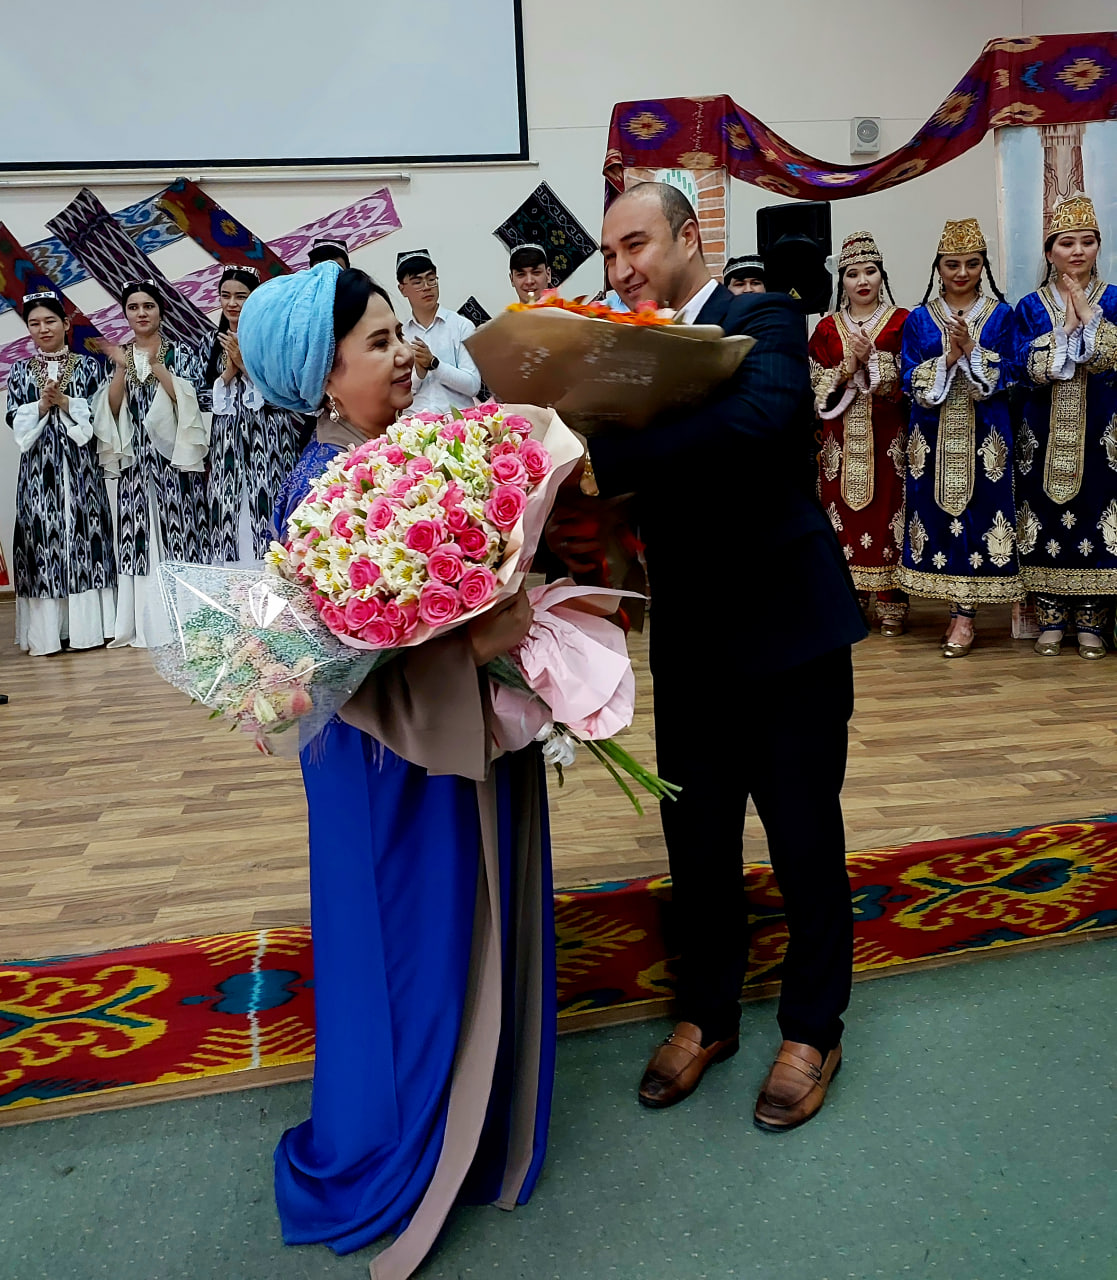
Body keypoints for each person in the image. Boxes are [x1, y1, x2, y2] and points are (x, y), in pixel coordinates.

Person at [237, 263, 555, 1279]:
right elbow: (350, 667)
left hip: (430, 740)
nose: (405, 354)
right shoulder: (321, 489)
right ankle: (397, 1141)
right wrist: (481, 638)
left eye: (396, 335)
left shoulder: (396, 460)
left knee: (444, 928)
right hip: (386, 761)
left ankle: (461, 1116)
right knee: (402, 943)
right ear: (322, 376)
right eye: (377, 343)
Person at [550, 182, 866, 1130]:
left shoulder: (759, 316)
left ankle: (812, 1027)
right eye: (609, 254)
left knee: (803, 837)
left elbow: (758, 420)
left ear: (689, 238)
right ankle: (707, 1013)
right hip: (689, 632)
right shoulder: (616, 346)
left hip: (789, 627)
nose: (621, 269)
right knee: (696, 840)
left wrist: (615, 455)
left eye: (636, 245)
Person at [898, 219, 1023, 656]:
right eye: (952, 264)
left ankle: (966, 615)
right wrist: (947, 358)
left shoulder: (1001, 315)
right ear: (939, 267)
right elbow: (908, 377)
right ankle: (953, 608)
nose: (962, 273)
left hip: (985, 432)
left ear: (983, 266)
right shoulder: (919, 318)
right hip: (931, 436)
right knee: (939, 517)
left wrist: (970, 350)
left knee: (980, 514)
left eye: (972, 263)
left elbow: (1012, 370)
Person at [1014, 194, 1117, 659]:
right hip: (1042, 430)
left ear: (1098, 247)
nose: (1078, 251)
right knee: (1043, 512)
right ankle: (1051, 618)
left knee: (1099, 509)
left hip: (1102, 428)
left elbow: (1111, 356)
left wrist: (1089, 319)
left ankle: (1093, 620)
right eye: (1067, 243)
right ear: (1050, 251)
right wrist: (1063, 333)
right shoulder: (1029, 307)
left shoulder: (1113, 298)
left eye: (1087, 242)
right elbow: (1023, 366)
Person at [92, 280, 209, 648]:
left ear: (160, 311)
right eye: (133, 307)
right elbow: (110, 410)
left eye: (148, 306)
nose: (141, 313)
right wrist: (120, 369)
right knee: (138, 536)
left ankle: (189, 618)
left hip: (175, 461)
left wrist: (156, 366)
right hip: (137, 465)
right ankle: (147, 624)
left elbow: (190, 400)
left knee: (182, 532)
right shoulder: (120, 356)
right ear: (125, 314)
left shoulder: (181, 352)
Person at [809, 232, 910, 635]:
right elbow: (816, 388)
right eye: (853, 274)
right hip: (839, 443)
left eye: (870, 271)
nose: (862, 281)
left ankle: (891, 601)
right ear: (842, 281)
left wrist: (875, 363)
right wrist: (847, 367)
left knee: (890, 514)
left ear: (882, 275)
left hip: (888, 441)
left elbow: (909, 379)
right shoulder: (827, 329)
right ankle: (851, 599)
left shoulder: (902, 321)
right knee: (839, 519)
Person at [5, 290, 115, 655]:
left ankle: (88, 631)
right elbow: (13, 419)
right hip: (39, 473)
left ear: (66, 324)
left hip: (81, 471)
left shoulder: (89, 368)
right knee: (42, 542)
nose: (43, 329)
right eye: (34, 323)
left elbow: (101, 416)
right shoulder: (20, 371)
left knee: (85, 536)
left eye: (50, 321)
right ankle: (48, 634)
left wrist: (65, 402)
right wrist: (41, 405)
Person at [200, 266, 301, 563]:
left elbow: (288, 393)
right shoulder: (211, 342)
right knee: (229, 511)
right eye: (225, 295)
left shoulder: (273, 339)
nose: (232, 303)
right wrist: (227, 374)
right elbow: (201, 399)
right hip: (227, 444)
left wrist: (244, 365)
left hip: (270, 440)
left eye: (241, 296)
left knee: (269, 505)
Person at [396, 249, 481, 414]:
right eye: (417, 282)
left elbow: (473, 386)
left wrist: (434, 364)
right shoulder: (400, 335)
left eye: (431, 279)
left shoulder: (461, 326)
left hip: (458, 421)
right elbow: (398, 394)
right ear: (402, 289)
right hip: (415, 423)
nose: (427, 287)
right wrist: (418, 374)